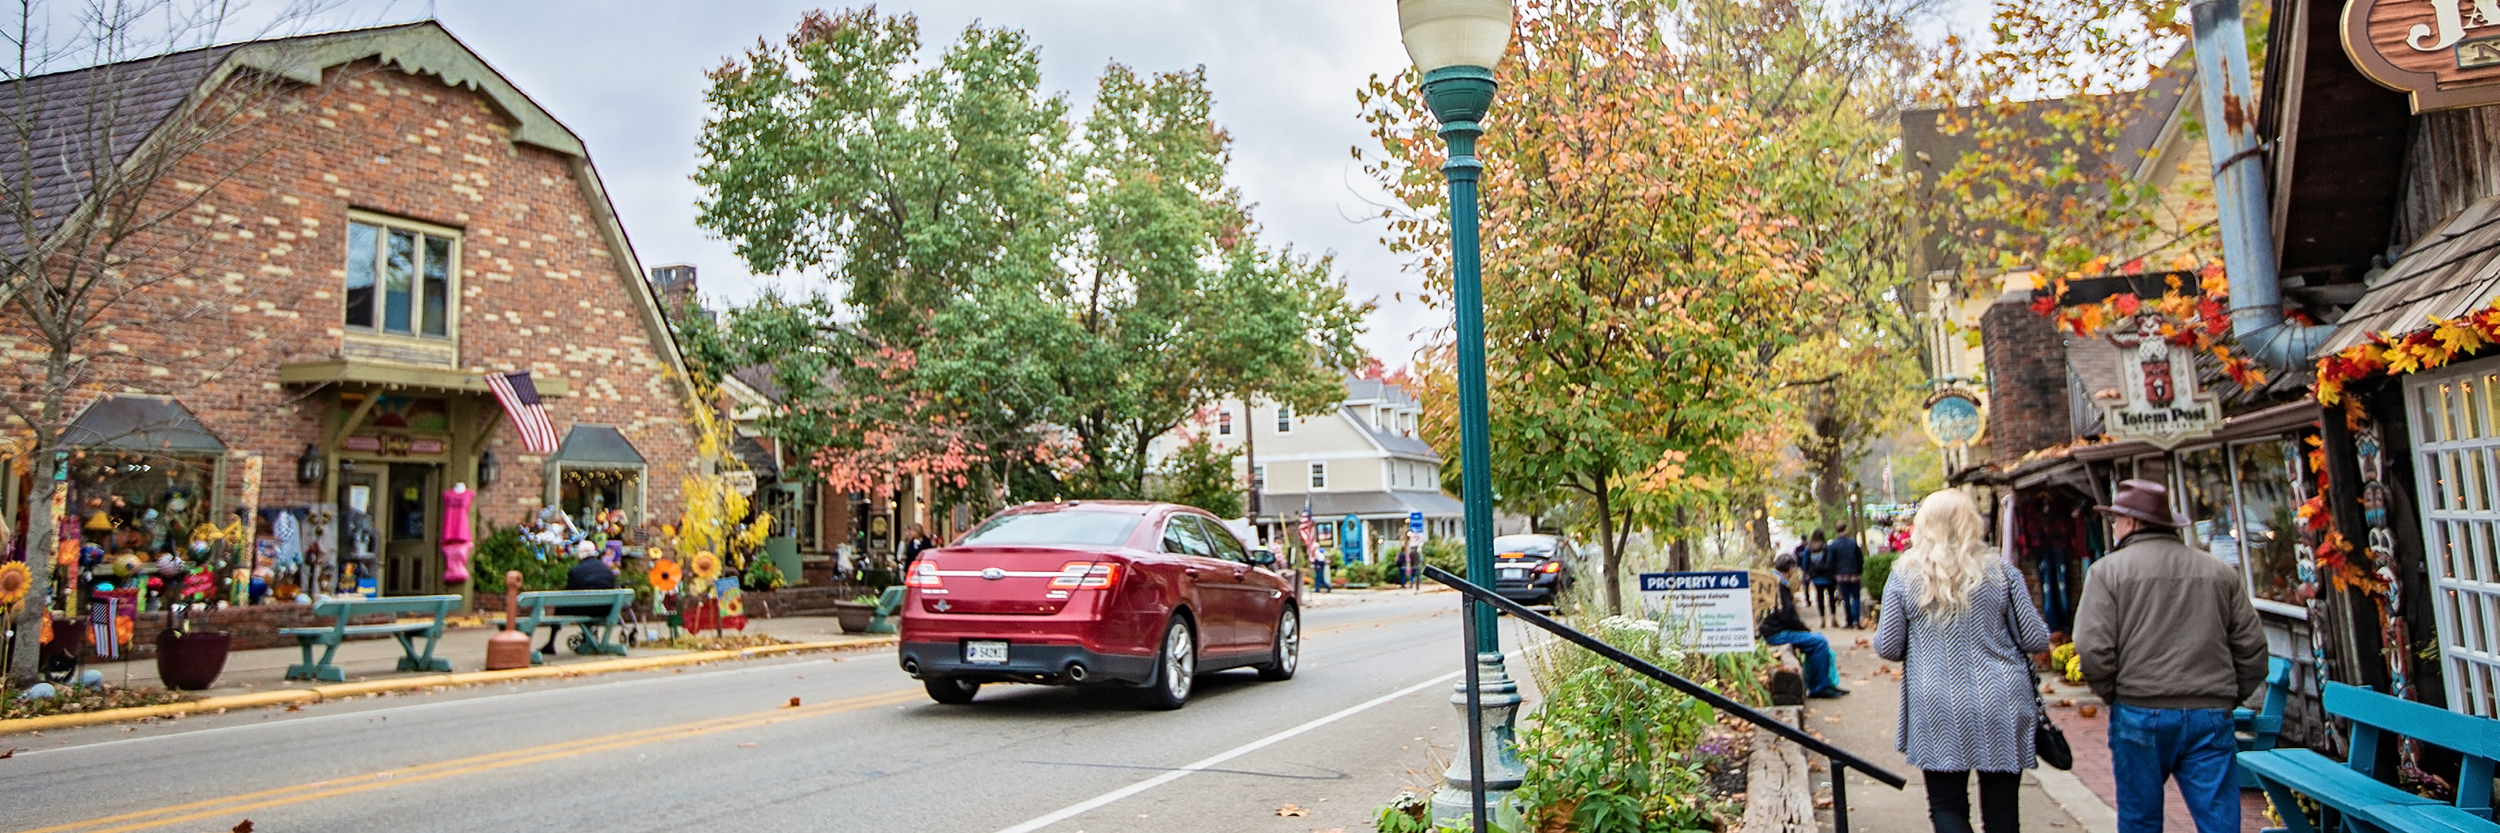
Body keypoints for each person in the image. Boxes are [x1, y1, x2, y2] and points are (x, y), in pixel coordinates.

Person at [2074, 479, 2267, 833]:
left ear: (2132, 522)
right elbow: (2252, 648)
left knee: (2140, 821)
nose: (2114, 527)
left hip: (2139, 708)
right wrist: (2226, 696)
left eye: (2116, 519)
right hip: (2209, 712)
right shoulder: (2218, 572)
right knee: (2220, 824)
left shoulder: (2107, 572)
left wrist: (2113, 694)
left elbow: (2092, 649)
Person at [1874, 489, 2051, 833]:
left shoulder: (1904, 576)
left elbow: (1889, 646)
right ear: (1972, 523)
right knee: (2002, 814)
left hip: (1935, 703)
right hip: (2001, 701)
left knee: (1946, 806)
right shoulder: (2002, 572)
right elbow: (2035, 639)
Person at [1763, 552, 1847, 699]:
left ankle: (1822, 683)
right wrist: (1804, 629)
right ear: (1790, 569)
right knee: (1819, 642)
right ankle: (1819, 687)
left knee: (1817, 639)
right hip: (1777, 633)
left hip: (1773, 630)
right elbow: (1788, 616)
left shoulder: (1772, 581)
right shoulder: (1780, 585)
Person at [546, 541, 618, 655]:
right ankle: (589, 639)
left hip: (582, 609)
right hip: (605, 610)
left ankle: (551, 643)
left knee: (560, 607)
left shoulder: (576, 571)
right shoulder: (607, 571)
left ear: (580, 554)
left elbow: (568, 594)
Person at [1828, 528, 1866, 629]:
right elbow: (1860, 558)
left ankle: (1849, 621)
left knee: (1846, 598)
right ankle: (1856, 620)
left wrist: (1834, 573)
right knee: (1856, 597)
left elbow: (1830, 561)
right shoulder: (1853, 543)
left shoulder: (1834, 545)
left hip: (1841, 576)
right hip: (1854, 575)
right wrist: (1858, 570)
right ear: (1845, 530)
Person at [1803, 530, 1837, 625]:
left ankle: (1822, 618)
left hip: (1816, 577)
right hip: (1828, 576)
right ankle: (1833, 617)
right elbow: (1831, 561)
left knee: (1819, 596)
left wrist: (1808, 572)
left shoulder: (1809, 549)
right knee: (1831, 596)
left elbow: (1805, 563)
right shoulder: (1827, 548)